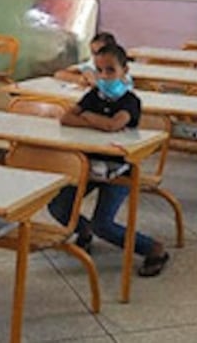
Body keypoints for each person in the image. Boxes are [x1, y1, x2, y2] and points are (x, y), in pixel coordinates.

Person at [49, 44, 170, 277]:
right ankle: (83, 232)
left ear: (124, 70)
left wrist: (85, 116)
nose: (104, 76)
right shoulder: (94, 94)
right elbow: (66, 118)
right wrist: (96, 121)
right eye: (99, 70)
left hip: (119, 169)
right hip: (89, 165)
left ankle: (153, 249)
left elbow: (114, 124)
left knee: (103, 224)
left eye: (110, 70)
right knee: (58, 206)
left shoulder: (130, 100)